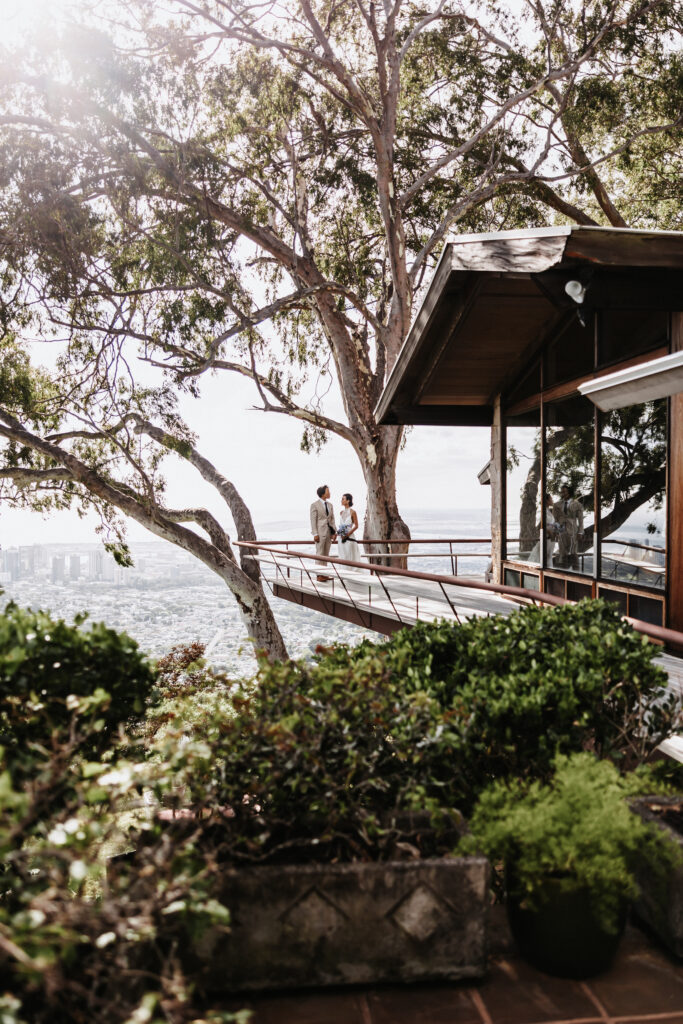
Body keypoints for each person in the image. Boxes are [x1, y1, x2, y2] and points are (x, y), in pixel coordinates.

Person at [553, 484, 584, 570]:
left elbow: (581, 520)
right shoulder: (557, 505)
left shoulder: (577, 504)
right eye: (561, 491)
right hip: (561, 530)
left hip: (573, 530)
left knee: (574, 552)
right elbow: (555, 520)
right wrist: (555, 532)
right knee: (563, 552)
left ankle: (576, 572)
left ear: (569, 492)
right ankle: (564, 572)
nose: (562, 493)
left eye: (564, 491)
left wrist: (580, 532)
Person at [310, 484, 337, 582]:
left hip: (329, 532)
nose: (329, 493)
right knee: (319, 554)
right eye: (328, 491)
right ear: (323, 493)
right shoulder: (314, 505)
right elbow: (313, 521)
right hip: (320, 533)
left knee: (326, 554)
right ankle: (318, 575)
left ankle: (324, 574)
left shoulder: (330, 505)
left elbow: (332, 519)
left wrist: (334, 532)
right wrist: (315, 534)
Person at [337, 493, 361, 564]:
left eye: (343, 499)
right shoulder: (341, 513)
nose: (341, 500)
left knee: (350, 558)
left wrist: (347, 535)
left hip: (349, 537)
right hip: (341, 538)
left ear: (348, 501)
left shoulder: (353, 512)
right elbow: (341, 525)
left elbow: (356, 526)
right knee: (343, 557)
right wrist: (339, 534)